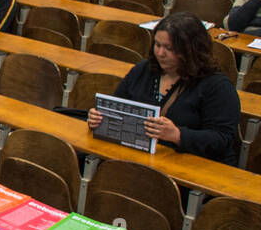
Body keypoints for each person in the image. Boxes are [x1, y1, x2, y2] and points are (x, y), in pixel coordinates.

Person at [88, 11, 240, 166]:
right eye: (157, 45)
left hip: (193, 166)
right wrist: (101, 118)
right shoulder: (144, 70)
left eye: (169, 48)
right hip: (142, 159)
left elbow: (223, 139)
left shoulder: (217, 86)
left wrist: (178, 135)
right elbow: (117, 104)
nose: (160, 53)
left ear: (191, 50)